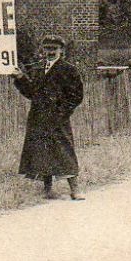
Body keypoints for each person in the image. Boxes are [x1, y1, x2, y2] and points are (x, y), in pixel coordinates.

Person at [13, 35, 86, 200]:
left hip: (57, 118)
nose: (50, 52)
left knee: (65, 151)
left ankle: (75, 189)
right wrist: (20, 78)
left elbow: (76, 96)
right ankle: (48, 190)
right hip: (38, 117)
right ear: (43, 50)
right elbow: (31, 92)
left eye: (54, 49)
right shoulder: (39, 70)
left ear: (61, 50)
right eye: (47, 48)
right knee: (42, 151)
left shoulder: (69, 70)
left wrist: (61, 113)